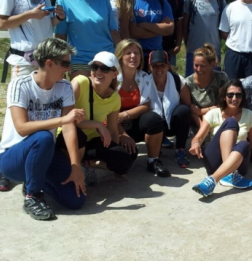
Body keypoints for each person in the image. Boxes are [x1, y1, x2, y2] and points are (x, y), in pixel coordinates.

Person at [0, 37, 86, 220]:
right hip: (13, 159)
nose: (68, 69)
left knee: (76, 200)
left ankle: (34, 180)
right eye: (65, 64)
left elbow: (69, 127)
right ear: (49, 63)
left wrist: (75, 166)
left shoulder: (64, 87)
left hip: (44, 154)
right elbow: (22, 128)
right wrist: (62, 119)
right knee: (43, 137)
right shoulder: (20, 84)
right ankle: (32, 196)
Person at [61, 51, 136, 185]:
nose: (98, 72)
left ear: (115, 74)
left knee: (127, 157)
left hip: (92, 141)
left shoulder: (114, 98)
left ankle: (87, 163)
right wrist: (98, 125)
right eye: (95, 67)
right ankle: (76, 166)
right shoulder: (80, 82)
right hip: (69, 138)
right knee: (79, 136)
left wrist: (114, 155)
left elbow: (113, 130)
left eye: (105, 68)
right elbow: (66, 119)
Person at [189, 80, 252, 197]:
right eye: (230, 95)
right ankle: (227, 173)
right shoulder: (213, 113)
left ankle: (213, 180)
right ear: (224, 97)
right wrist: (195, 144)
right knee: (231, 122)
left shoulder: (249, 115)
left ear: (242, 97)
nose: (234, 98)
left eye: (238, 95)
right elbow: (199, 137)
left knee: (244, 144)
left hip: (237, 165)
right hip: (215, 160)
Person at [55, 0, 120, 79]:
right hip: (80, 61)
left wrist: (122, 56)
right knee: (83, 94)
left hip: (106, 58)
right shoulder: (63, 0)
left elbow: (113, 32)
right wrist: (61, 66)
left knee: (106, 97)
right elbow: (60, 37)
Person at [114, 39, 170, 177]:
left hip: (130, 121)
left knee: (154, 119)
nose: (133, 56)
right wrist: (122, 135)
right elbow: (108, 113)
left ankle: (153, 161)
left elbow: (146, 106)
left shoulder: (144, 77)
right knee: (128, 159)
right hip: (113, 126)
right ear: (120, 56)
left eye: (136, 53)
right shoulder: (113, 78)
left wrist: (124, 115)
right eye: (128, 53)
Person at [149, 50, 192, 168]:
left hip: (173, 123)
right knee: (149, 117)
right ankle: (155, 148)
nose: (159, 69)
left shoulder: (178, 80)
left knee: (183, 110)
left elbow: (187, 104)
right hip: (155, 125)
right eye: (155, 66)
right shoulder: (145, 81)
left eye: (162, 65)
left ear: (168, 66)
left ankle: (180, 150)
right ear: (150, 67)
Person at [183, 0, 227, 77]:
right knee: (192, 86)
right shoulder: (189, 0)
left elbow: (224, 28)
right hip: (193, 52)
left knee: (214, 88)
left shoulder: (220, 2)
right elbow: (183, 26)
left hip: (213, 54)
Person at [129, 0, 174, 70]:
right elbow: (133, 31)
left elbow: (169, 30)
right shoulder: (129, 1)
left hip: (156, 57)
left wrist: (143, 24)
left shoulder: (161, 2)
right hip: (134, 56)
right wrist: (159, 28)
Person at [185, 44, 229, 129]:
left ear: (211, 64)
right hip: (196, 120)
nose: (199, 69)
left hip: (218, 115)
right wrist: (202, 126)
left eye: (202, 66)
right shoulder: (187, 82)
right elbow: (191, 109)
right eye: (196, 65)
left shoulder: (221, 78)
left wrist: (202, 111)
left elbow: (224, 104)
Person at [153, 0, 184, 69]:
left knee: (168, 82)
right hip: (148, 47)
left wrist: (178, 44)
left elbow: (179, 24)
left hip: (169, 49)